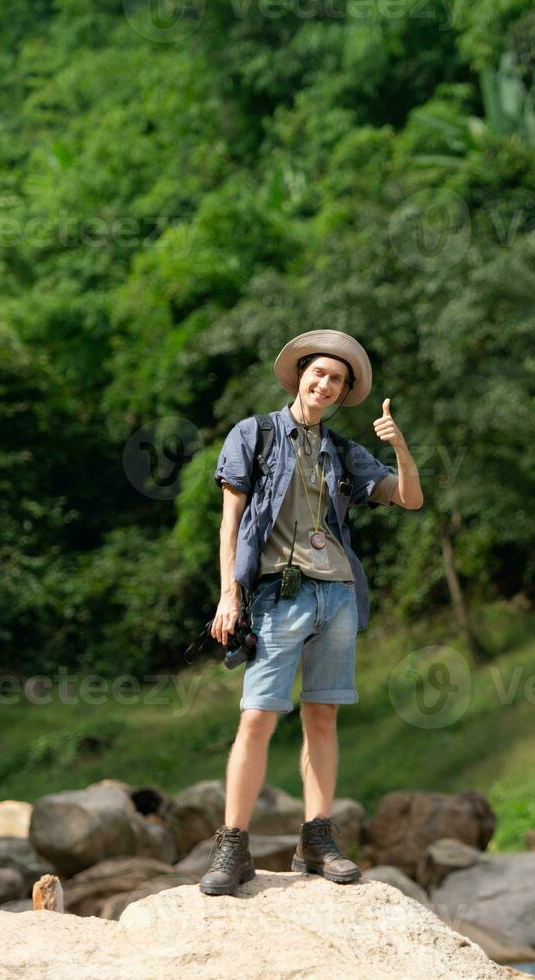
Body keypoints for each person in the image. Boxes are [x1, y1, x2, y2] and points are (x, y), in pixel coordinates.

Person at [199, 329, 423, 895]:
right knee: (257, 717)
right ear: (300, 374)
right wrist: (229, 593)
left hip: (337, 596)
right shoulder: (254, 435)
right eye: (318, 373)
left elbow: (409, 499)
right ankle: (232, 846)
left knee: (322, 717)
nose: (325, 384)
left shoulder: (346, 451)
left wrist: (399, 446)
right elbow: (230, 524)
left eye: (338, 380)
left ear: (345, 392)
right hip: (275, 596)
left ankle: (317, 840)